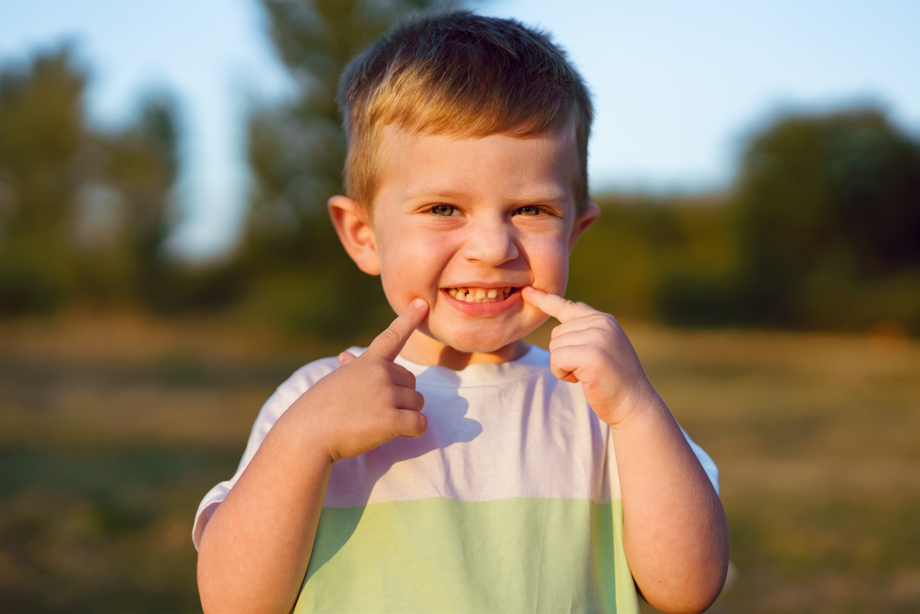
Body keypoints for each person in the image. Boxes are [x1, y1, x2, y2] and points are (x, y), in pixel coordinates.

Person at [194, 10, 729, 614]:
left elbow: (688, 589)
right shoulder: (315, 399)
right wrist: (305, 442)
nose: (493, 248)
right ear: (364, 235)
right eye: (444, 209)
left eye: (530, 210)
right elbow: (232, 603)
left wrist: (636, 409)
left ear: (575, 233)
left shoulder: (603, 406)